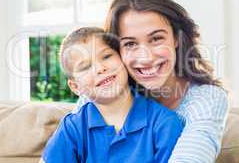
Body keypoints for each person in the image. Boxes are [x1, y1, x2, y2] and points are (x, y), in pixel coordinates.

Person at [76, 0, 229, 163]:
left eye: (156, 39)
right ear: (118, 51)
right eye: (130, 44)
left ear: (176, 39)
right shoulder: (100, 93)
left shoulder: (207, 99)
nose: (146, 57)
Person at [41, 27, 183, 163]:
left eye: (107, 56)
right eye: (85, 67)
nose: (101, 68)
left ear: (123, 58)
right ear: (76, 87)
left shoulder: (165, 124)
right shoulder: (72, 128)